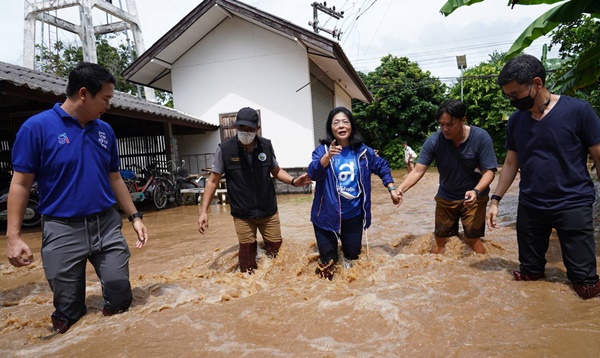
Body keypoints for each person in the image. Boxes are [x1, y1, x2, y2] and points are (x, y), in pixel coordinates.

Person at [6, 62, 149, 336]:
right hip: (62, 229)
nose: (108, 105)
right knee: (68, 312)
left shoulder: (105, 131)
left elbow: (115, 178)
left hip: (106, 225)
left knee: (120, 296)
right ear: (84, 93)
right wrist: (13, 236)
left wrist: (135, 216)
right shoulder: (36, 128)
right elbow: (21, 184)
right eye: (105, 98)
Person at [487, 54, 600, 299]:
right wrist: (495, 199)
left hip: (573, 203)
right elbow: (510, 162)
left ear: (537, 83)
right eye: (507, 96)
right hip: (531, 205)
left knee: (585, 284)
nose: (511, 100)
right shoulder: (517, 120)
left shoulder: (579, 111)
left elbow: (598, 156)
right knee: (530, 274)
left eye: (515, 94)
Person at [197, 107, 311, 274]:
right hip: (243, 215)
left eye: (250, 129)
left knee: (277, 255)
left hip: (268, 212)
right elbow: (212, 181)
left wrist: (294, 181)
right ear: (237, 128)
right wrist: (203, 212)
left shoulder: (266, 146)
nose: (245, 133)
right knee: (247, 261)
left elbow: (276, 170)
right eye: (242, 129)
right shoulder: (225, 149)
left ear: (257, 129)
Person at [308, 106, 401, 280]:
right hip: (326, 217)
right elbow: (313, 173)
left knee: (352, 261)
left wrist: (391, 188)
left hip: (353, 217)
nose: (341, 126)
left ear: (351, 126)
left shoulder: (363, 151)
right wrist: (327, 157)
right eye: (336, 123)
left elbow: (382, 166)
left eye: (345, 122)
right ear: (331, 128)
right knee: (328, 263)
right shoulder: (322, 150)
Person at [396, 100, 498, 255]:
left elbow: (489, 171)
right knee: (440, 240)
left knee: (472, 240)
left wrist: (476, 191)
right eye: (441, 124)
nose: (444, 129)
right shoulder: (434, 140)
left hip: (474, 198)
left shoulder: (481, 137)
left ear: (463, 120)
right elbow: (417, 171)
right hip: (446, 197)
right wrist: (401, 189)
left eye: (449, 124)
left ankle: (485, 268)